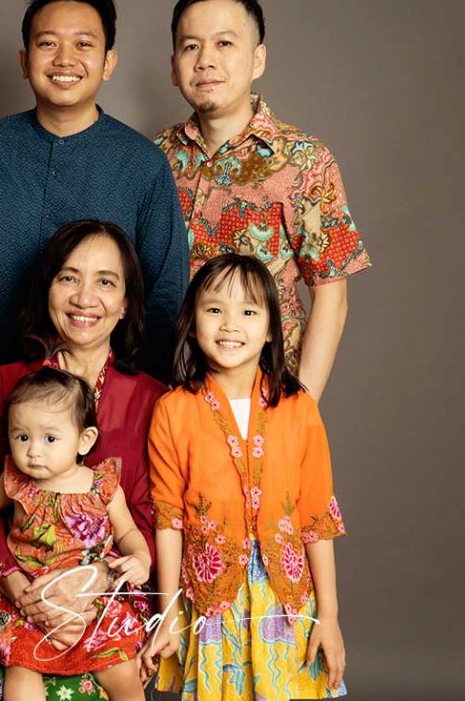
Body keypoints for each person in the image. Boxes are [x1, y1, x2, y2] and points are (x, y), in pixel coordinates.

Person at [0, 220, 167, 701]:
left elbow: (157, 521)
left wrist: (93, 583)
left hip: (111, 605)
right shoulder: (2, 387)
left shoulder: (155, 401)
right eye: (68, 277)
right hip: (19, 603)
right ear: (47, 289)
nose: (84, 297)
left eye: (105, 282)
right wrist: (20, 590)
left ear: (127, 304)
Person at [0, 0, 188, 378]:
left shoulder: (143, 163)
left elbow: (164, 295)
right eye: (48, 43)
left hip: (106, 391)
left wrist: (132, 394)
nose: (64, 59)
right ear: (24, 61)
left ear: (108, 62)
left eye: (83, 44)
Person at [140, 254, 348, 700]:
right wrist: (169, 611)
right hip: (212, 604)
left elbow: (317, 520)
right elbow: (168, 520)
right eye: (214, 309)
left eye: (249, 312)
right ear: (192, 322)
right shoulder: (173, 410)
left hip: (286, 603)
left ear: (271, 327)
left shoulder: (299, 409)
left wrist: (327, 617)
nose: (230, 324)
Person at [155, 0, 371, 398]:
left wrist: (300, 408)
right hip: (167, 394)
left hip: (265, 397)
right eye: (191, 46)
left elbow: (330, 296)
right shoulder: (153, 155)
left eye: (224, 44)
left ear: (258, 59)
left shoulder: (305, 161)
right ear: (173, 64)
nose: (205, 61)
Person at [0, 367, 151, 701]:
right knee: (22, 667)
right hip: (26, 597)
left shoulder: (102, 486)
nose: (33, 451)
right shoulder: (16, 481)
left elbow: (128, 530)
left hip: (88, 599)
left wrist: (140, 557)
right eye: (22, 437)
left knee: (122, 670)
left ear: (83, 440)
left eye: (50, 439)